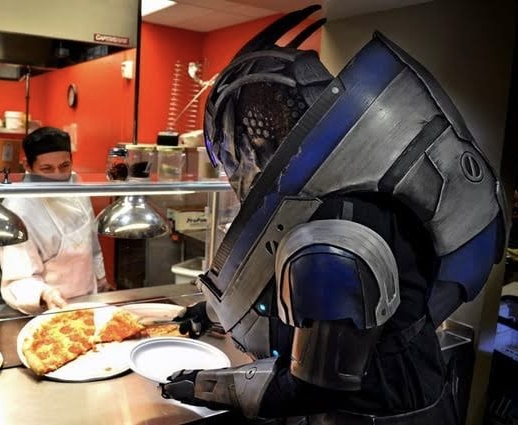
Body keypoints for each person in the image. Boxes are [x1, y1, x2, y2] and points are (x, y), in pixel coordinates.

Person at [161, 5, 507, 425]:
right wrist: (210, 312)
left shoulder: (334, 233)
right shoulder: (354, 197)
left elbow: (314, 386)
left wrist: (205, 385)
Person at [0, 126, 109, 314]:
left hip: (88, 299)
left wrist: (101, 277)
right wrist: (45, 294)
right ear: (28, 166)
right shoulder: (17, 208)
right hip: (48, 308)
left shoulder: (75, 183)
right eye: (47, 169)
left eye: (65, 166)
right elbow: (18, 279)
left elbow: (91, 242)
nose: (58, 176)